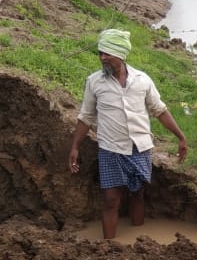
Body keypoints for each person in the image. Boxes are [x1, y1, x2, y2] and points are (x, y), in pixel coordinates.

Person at [68, 28, 189, 240]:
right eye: (100, 53)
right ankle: (110, 247)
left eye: (108, 54)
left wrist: (181, 137)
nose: (102, 58)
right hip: (111, 150)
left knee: (138, 195)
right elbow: (86, 116)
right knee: (110, 200)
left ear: (121, 55)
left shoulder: (142, 80)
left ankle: (138, 241)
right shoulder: (94, 82)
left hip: (140, 148)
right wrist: (75, 147)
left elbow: (159, 110)